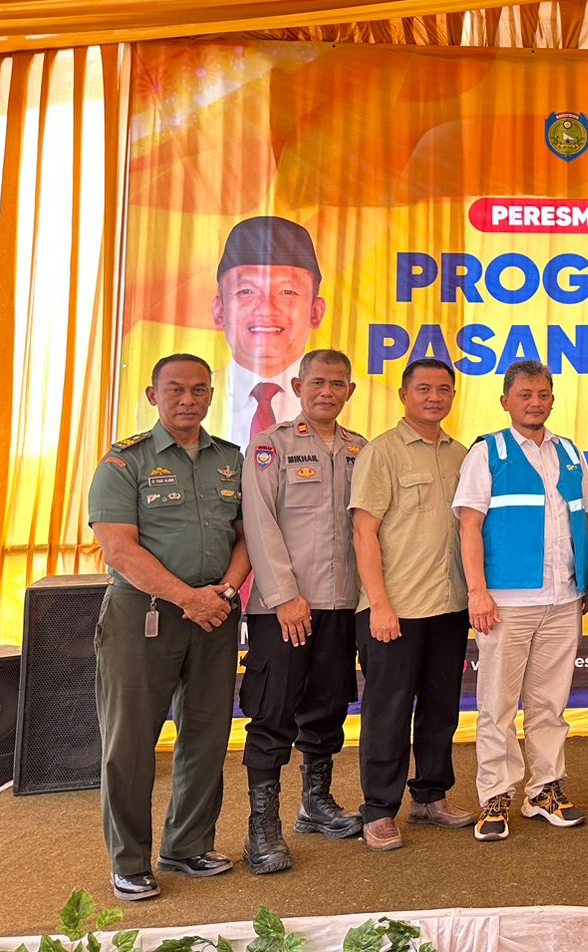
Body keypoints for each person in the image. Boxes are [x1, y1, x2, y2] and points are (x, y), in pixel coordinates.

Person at [88, 354, 250, 902]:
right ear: (153, 395)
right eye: (176, 389)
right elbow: (119, 549)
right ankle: (128, 862)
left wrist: (224, 592)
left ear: (210, 395)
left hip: (216, 613)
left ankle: (186, 846)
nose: (188, 399)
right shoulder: (123, 461)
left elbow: (248, 535)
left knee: (206, 737)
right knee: (130, 743)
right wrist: (188, 598)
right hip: (145, 615)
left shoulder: (231, 459)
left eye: (199, 390)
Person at [454, 359, 588, 842]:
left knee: (549, 702)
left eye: (543, 394)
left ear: (553, 399)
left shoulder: (570, 453)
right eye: (525, 395)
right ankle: (496, 794)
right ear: (505, 401)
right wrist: (478, 593)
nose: (535, 402)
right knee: (497, 705)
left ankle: (544, 789)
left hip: (564, 598)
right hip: (505, 603)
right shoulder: (487, 453)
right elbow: (468, 526)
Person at [238, 349, 367, 874]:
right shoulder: (270, 448)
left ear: (349, 392)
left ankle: (315, 803)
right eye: (317, 382)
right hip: (283, 608)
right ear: (297, 384)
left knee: (329, 704)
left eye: (338, 384)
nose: (327, 392)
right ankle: (260, 830)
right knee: (272, 713)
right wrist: (284, 595)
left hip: (341, 603)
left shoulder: (363, 450)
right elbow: (258, 522)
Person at [349, 357, 472, 850]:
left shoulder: (462, 455)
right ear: (404, 394)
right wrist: (378, 604)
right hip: (393, 609)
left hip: (449, 606)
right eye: (424, 388)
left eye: (444, 389)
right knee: (388, 711)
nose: (434, 397)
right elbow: (363, 532)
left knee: (442, 708)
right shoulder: (381, 453)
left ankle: (430, 796)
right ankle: (379, 809)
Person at [212, 216, 327, 447]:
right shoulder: (184, 401)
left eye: (287, 292)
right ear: (219, 311)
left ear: (315, 311)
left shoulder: (368, 402)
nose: (265, 308)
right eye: (246, 291)